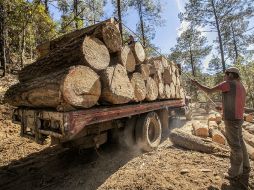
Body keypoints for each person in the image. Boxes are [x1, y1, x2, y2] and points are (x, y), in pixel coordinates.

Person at [191, 67, 251, 180]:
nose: (225, 76)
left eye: (226, 74)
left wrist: (196, 83)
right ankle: (246, 167)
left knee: (234, 146)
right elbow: (236, 102)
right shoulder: (241, 86)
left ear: (231, 75)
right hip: (239, 118)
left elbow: (208, 90)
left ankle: (234, 172)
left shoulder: (228, 83)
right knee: (240, 142)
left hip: (231, 119)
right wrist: (222, 108)